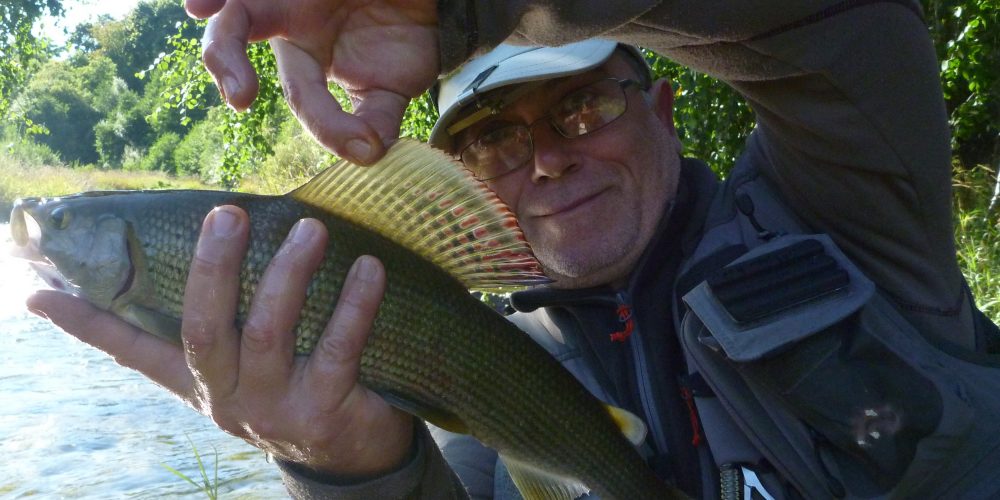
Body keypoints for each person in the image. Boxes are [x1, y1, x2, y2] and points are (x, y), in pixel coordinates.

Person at [26, 0, 1000, 498]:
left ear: (661, 106)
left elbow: (841, 19)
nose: (544, 160)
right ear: (455, 174)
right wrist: (349, 465)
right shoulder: (474, 397)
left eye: (580, 105)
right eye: (491, 138)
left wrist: (464, 3)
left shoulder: (852, 207)